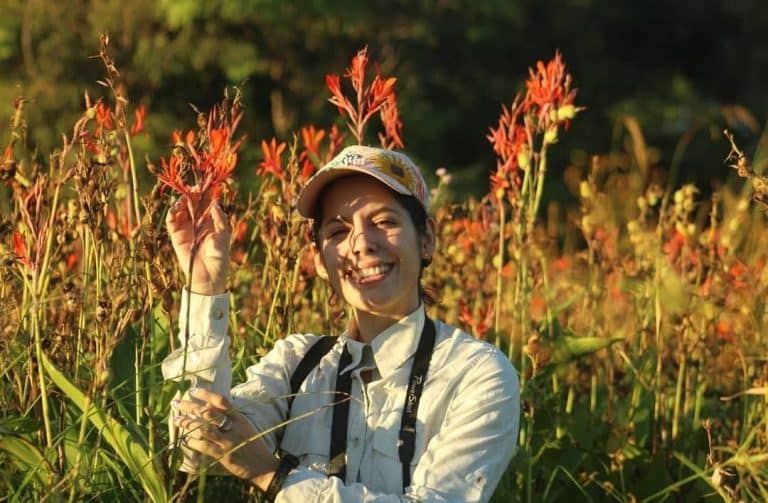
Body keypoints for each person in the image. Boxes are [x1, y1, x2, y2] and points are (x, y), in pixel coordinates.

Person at [162, 145, 520, 502]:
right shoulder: (297, 363)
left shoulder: (476, 374)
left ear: (426, 239)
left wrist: (274, 477)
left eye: (385, 222)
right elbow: (197, 453)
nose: (361, 244)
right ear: (319, 260)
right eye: (337, 232)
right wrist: (205, 289)